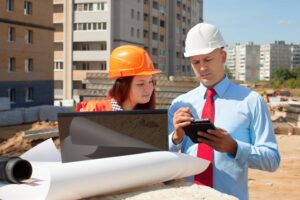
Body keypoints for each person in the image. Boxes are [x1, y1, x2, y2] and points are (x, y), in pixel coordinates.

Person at [168, 22, 280, 200]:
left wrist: (234, 148)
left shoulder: (251, 102)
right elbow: (165, 161)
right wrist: (176, 138)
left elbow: (272, 160)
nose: (202, 67)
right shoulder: (179, 105)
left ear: (223, 56)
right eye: (195, 62)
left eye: (208, 59)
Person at [76, 45, 161, 112]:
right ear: (123, 86)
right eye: (140, 84)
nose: (148, 89)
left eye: (150, 82)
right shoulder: (92, 111)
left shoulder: (149, 119)